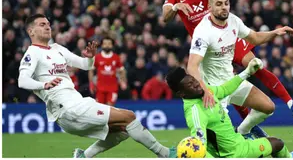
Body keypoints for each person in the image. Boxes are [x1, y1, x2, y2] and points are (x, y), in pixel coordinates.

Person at [162, 0, 293, 135]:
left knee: (254, 65)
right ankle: (239, 131)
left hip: (227, 36)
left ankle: (286, 105)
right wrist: (176, 6)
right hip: (207, 48)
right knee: (225, 84)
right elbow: (165, 17)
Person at [18, 14, 176, 158]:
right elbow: (22, 80)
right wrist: (44, 84)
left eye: (48, 23)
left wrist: (90, 58)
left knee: (123, 130)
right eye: (41, 24)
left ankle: (84, 156)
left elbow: (85, 65)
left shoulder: (57, 49)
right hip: (67, 108)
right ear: (31, 31)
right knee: (129, 117)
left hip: (77, 104)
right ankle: (165, 154)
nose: (47, 27)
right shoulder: (32, 53)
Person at [187, 0, 293, 139]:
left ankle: (242, 131)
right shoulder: (203, 31)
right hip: (214, 89)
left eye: (226, 3)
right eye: (219, 4)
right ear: (209, 7)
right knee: (223, 143)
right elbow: (192, 66)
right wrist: (205, 91)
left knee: (268, 107)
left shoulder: (234, 21)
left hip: (232, 82)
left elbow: (254, 38)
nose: (224, 7)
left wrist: (276, 32)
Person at [165, 58, 293, 158]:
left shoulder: (204, 92)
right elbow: (200, 146)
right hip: (234, 153)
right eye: (190, 85)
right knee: (277, 143)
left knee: (273, 143)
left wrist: (247, 72)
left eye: (193, 80)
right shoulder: (195, 112)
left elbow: (223, 90)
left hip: (237, 143)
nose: (196, 84)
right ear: (181, 93)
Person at [88, 36, 127, 106]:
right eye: (105, 43)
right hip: (100, 88)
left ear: (112, 45)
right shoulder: (97, 57)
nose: (107, 45)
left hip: (113, 88)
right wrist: (91, 84)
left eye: (109, 44)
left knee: (110, 108)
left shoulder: (116, 57)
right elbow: (91, 70)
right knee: (99, 109)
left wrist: (123, 81)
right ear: (102, 45)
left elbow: (122, 70)